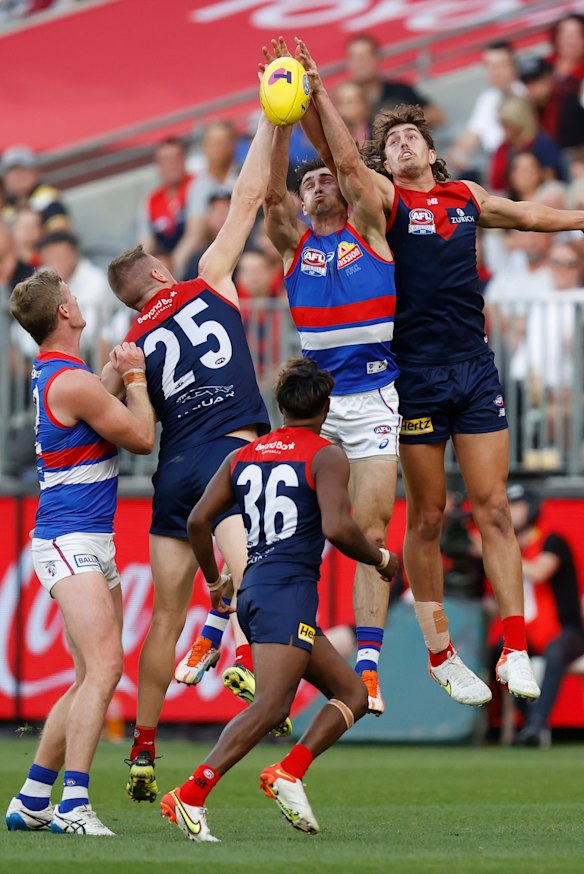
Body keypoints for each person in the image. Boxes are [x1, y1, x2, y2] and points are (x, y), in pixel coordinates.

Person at [297, 39, 584, 706]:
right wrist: (314, 95)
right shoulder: (381, 202)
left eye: (409, 137)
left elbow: (532, 216)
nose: (400, 144)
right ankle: (441, 651)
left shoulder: (464, 195)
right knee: (428, 517)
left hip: (475, 370)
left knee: (495, 511)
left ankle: (515, 646)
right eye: (389, 138)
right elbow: (341, 155)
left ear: (430, 151)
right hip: (416, 375)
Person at [105, 114, 276, 804]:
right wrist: (268, 123)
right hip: (228, 450)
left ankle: (143, 750)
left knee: (161, 622)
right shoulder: (208, 277)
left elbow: (106, 413)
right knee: (258, 569)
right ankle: (234, 648)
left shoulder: (129, 342)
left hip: (172, 470)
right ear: (156, 271)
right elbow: (247, 197)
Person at [159, 357, 397, 842]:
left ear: (280, 406)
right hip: (287, 592)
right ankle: (191, 793)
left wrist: (214, 581)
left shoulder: (243, 456)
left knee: (352, 694)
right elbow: (337, 527)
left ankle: (288, 772)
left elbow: (197, 522)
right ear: (326, 408)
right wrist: (380, 559)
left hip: (255, 589)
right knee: (270, 707)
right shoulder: (326, 454)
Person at [260, 37, 400, 717]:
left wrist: (312, 91)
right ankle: (273, 674)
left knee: (371, 527)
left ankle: (368, 668)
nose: (318, 185)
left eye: (324, 181)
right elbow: (267, 194)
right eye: (307, 181)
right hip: (316, 408)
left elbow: (347, 158)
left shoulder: (371, 227)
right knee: (297, 539)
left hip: (374, 394)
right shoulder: (294, 246)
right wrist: (278, 117)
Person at [5, 270, 155, 836]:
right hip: (71, 541)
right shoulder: (71, 381)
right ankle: (74, 805)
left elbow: (91, 405)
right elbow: (141, 437)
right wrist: (134, 377)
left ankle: (34, 797)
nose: (75, 296)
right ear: (65, 313)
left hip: (82, 538)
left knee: (88, 674)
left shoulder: (64, 376)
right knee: (105, 668)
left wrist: (112, 375)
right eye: (69, 292)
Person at [504, 484, 584, 747]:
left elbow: (540, 571)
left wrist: (493, 554)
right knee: (498, 652)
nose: (511, 512)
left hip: (567, 631)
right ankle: (525, 723)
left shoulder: (552, 540)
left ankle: (537, 727)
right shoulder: (510, 547)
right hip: (529, 632)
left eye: (517, 505)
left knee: (556, 652)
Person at [448, 41, 525, 180]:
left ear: (513, 66)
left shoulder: (524, 92)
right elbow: (470, 136)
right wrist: (458, 153)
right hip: (495, 166)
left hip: (520, 162)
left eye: (500, 65)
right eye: (490, 66)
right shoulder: (487, 99)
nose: (495, 72)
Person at [345, 33, 444, 129]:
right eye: (355, 58)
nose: (361, 63)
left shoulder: (400, 90)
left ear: (377, 58)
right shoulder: (344, 99)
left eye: (365, 57)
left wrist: (401, 123)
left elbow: (436, 115)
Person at [137, 137, 194, 269]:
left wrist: (171, 270)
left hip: (194, 260)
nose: (172, 164)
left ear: (184, 159)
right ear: (158, 165)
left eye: (177, 158)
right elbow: (145, 244)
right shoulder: (151, 200)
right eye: (167, 160)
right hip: (165, 265)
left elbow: (195, 235)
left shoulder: (197, 185)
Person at [1, 145, 69, 233]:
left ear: (36, 173)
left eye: (22, 171)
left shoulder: (48, 199)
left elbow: (60, 233)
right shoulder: (6, 205)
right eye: (11, 173)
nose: (17, 177)